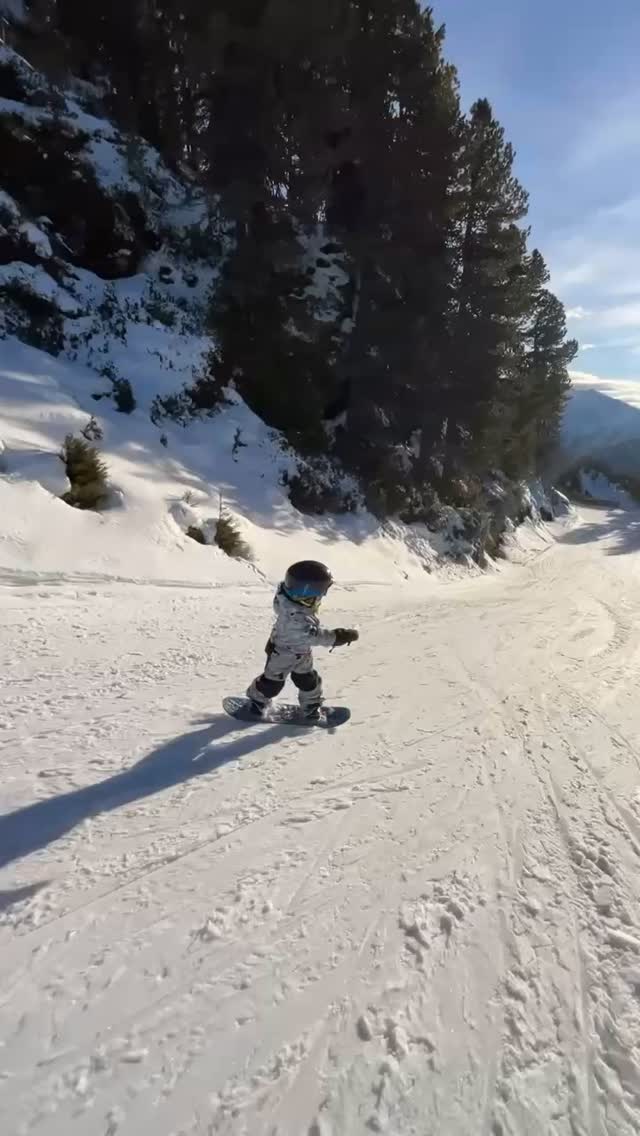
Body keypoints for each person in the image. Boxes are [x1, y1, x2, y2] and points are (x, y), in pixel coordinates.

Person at [247, 560, 359, 720]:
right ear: (305, 594)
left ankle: (311, 707)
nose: (321, 599)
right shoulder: (296, 619)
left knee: (309, 681)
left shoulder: (288, 601)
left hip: (302, 654)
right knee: (272, 685)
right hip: (282, 655)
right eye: (318, 595)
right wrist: (340, 636)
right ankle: (258, 702)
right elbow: (316, 636)